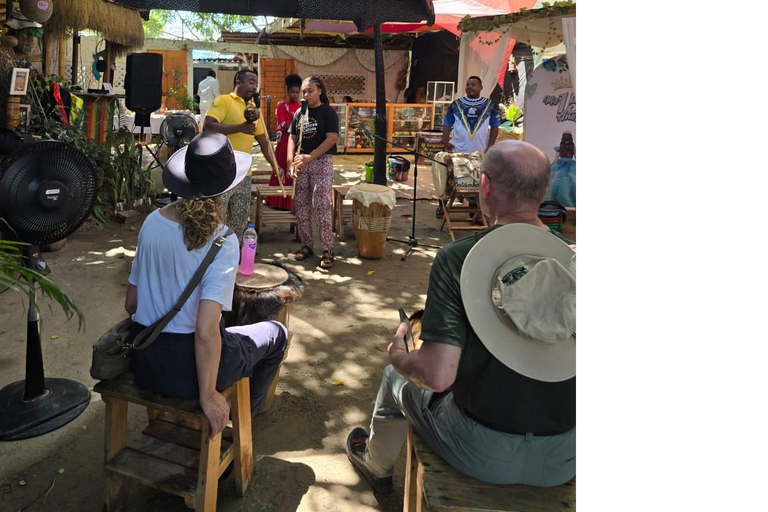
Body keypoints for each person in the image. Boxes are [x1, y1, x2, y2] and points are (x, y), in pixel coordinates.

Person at [346, 140, 576, 493]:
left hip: (482, 449)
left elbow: (437, 376)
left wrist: (398, 356)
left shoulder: (458, 258)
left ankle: (376, 464)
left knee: (394, 377)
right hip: (566, 455)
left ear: (484, 185)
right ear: (543, 190)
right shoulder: (573, 262)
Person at [126, 132, 288, 435]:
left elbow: (131, 304)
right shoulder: (223, 240)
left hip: (145, 360)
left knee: (229, 333)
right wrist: (208, 394)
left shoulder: (151, 222)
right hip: (188, 372)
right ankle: (246, 419)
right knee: (276, 334)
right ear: (226, 189)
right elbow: (204, 331)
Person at [203, 69, 280, 243]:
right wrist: (239, 128)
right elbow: (208, 126)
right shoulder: (224, 101)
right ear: (238, 82)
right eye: (251, 82)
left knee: (239, 221)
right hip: (222, 173)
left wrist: (275, 165)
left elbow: (265, 143)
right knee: (216, 219)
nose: (255, 87)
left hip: (244, 175)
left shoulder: (253, 111)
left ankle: (233, 252)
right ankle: (212, 254)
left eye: (256, 83)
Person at [287, 76, 339, 269]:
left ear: (320, 91)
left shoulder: (328, 112)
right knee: (301, 205)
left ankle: (327, 249)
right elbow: (292, 138)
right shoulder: (299, 112)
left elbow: (332, 138)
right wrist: (290, 162)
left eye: (310, 91)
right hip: (301, 163)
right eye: (304, 91)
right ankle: (307, 244)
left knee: (321, 204)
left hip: (321, 161)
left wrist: (310, 157)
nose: (306, 95)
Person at [438, 76, 502, 218]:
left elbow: (495, 126)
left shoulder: (490, 105)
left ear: (481, 87)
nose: (470, 87)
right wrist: (445, 140)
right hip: (457, 148)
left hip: (479, 150)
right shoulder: (456, 104)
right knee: (449, 176)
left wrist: (491, 144)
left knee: (476, 177)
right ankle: (442, 204)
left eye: (473, 84)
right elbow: (447, 123)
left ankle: (473, 207)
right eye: (468, 85)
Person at [266, 74, 302, 211]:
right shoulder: (282, 106)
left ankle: (292, 202)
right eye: (292, 92)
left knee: (295, 168)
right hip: (284, 143)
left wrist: (291, 124)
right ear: (288, 92)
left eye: (297, 92)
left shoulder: (302, 107)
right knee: (282, 167)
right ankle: (278, 201)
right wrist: (295, 124)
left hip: (298, 142)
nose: (295, 95)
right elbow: (282, 124)